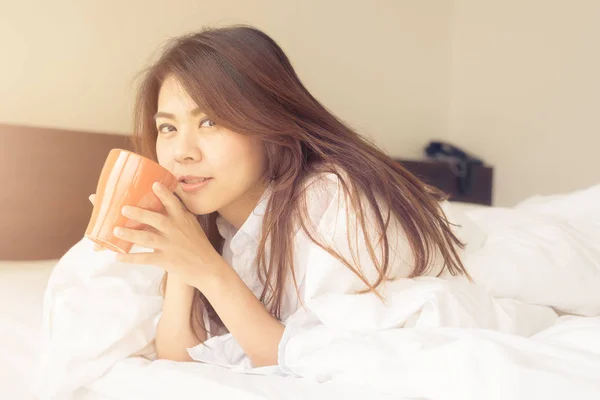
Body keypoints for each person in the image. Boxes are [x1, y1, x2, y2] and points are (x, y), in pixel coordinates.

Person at [89, 25, 470, 369]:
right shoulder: (216, 217)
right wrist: (181, 255)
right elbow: (177, 358)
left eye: (210, 122)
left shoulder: (332, 199)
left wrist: (208, 268)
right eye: (168, 128)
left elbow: (312, 362)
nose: (182, 152)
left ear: (267, 124)